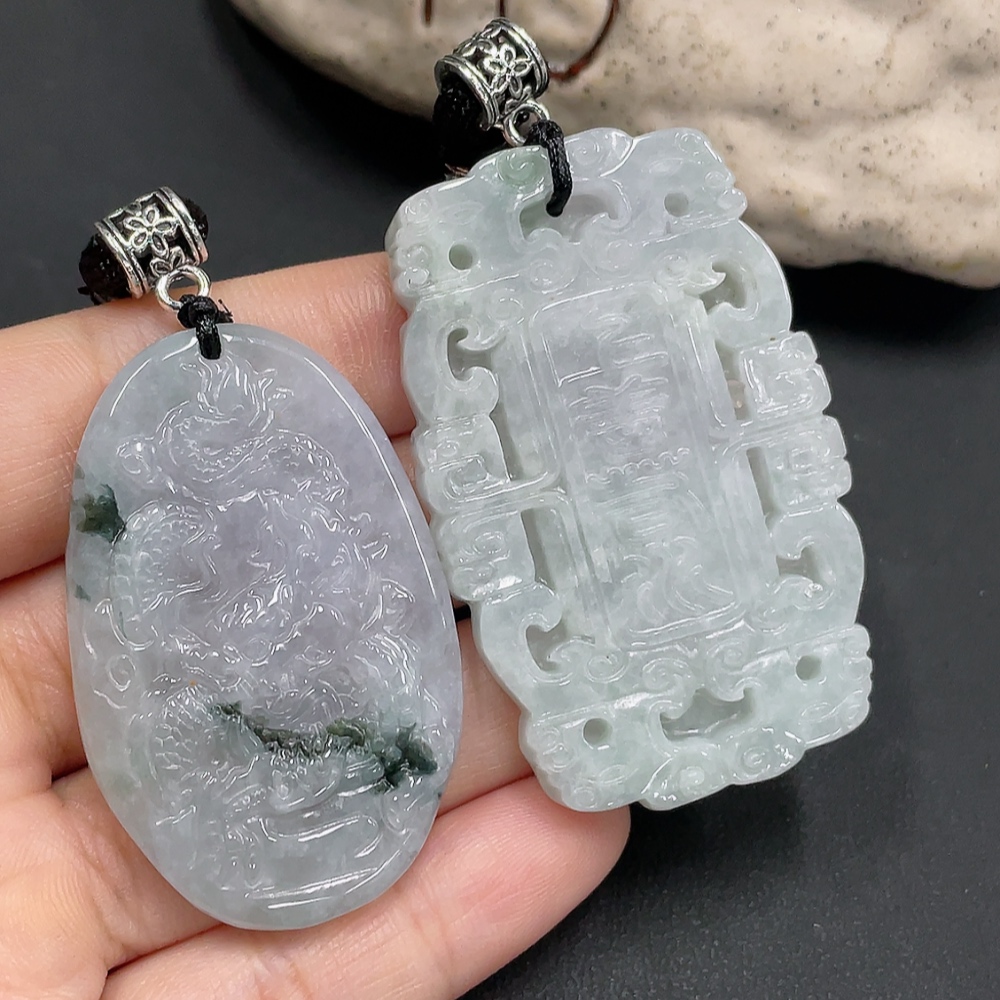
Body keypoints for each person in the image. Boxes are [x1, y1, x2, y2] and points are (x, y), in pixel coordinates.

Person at [0, 253, 630, 1000]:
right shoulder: (172, 531)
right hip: (243, 695)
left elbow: (344, 585)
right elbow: (155, 621)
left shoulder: (291, 504)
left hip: (309, 679)